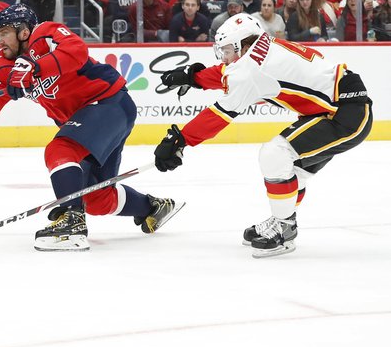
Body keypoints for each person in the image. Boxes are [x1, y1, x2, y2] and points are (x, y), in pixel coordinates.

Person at [0, 4, 182, 251]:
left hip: (110, 103)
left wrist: (35, 69)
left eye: (4, 33)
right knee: (96, 198)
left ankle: (72, 223)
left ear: (23, 31)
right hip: (92, 119)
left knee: (60, 150)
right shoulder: (2, 66)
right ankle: (153, 208)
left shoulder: (45, 34)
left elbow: (77, 51)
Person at [154, 14, 372, 258]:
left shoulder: (251, 69)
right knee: (293, 172)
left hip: (344, 114)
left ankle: (284, 229)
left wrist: (180, 139)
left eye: (227, 50)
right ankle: (282, 220)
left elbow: (219, 114)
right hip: (337, 107)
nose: (224, 57)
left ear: (244, 46)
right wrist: (193, 78)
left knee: (275, 154)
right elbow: (230, 73)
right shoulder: (262, 49)